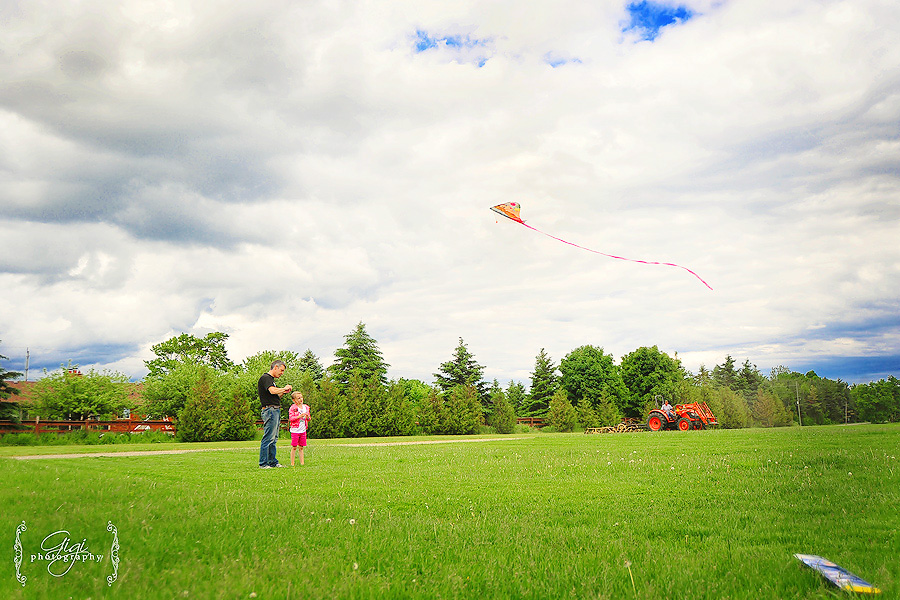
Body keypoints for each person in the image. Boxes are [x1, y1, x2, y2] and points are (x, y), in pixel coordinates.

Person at [258, 360, 292, 468]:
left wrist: (284, 392)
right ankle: (263, 463)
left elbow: (275, 396)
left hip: (275, 409)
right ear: (275, 367)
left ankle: (272, 462)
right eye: (281, 370)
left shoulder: (271, 380)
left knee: (274, 438)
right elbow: (272, 391)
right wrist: (284, 388)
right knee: (268, 437)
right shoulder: (266, 378)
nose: (282, 373)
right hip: (270, 410)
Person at [288, 391, 311, 466]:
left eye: (301, 397)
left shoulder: (306, 407)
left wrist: (307, 417)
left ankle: (302, 462)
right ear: (294, 400)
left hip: (303, 430)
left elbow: (309, 418)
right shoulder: (293, 408)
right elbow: (291, 418)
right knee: (294, 446)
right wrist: (299, 416)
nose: (300, 399)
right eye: (298, 398)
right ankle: (292, 462)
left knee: (301, 447)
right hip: (295, 430)